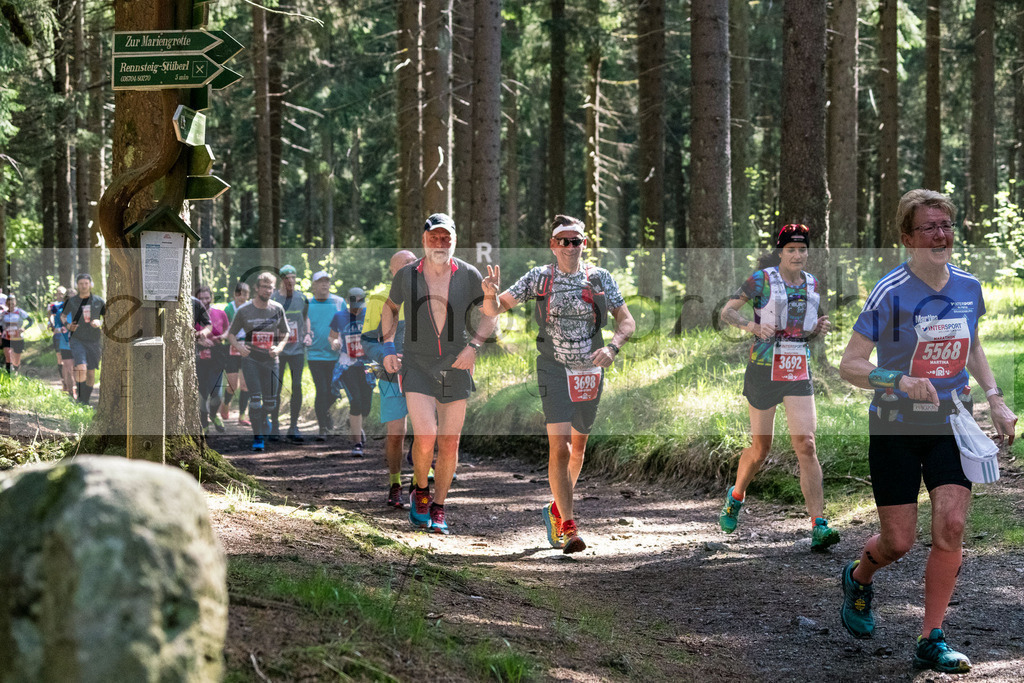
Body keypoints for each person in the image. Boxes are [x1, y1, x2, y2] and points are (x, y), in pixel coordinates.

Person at [837, 189, 1018, 673]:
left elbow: (972, 344)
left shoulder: (968, 287)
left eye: (946, 226)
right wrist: (899, 379)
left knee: (952, 526)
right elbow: (849, 365)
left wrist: (996, 398)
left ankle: (931, 637)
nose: (940, 235)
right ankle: (858, 578)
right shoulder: (890, 291)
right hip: (895, 425)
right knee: (896, 542)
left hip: (952, 420)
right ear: (907, 239)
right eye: (928, 228)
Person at [481, 215, 635, 553]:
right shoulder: (539, 278)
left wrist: (612, 347)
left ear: (584, 244)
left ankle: (555, 509)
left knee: (578, 449)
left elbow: (627, 321)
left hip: (590, 371)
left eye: (575, 241)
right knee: (560, 447)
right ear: (553, 245)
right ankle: (569, 526)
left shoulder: (600, 279)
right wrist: (489, 296)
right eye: (563, 241)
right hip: (552, 367)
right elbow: (497, 308)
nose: (569, 247)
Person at [717, 223, 839, 550]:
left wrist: (818, 328)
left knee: (806, 444)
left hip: (797, 369)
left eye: (802, 249)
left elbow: (803, 329)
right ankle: (737, 494)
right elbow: (727, 311)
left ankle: (818, 524)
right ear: (781, 251)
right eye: (791, 249)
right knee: (761, 449)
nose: (797, 255)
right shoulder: (762, 280)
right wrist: (753, 326)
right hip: (763, 370)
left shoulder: (812, 284)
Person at [380, 213, 494, 534]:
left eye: (446, 238)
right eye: (435, 237)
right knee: (426, 434)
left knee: (449, 442)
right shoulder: (407, 274)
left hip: (456, 363)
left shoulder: (469, 274)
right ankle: (420, 488)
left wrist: (475, 345)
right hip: (417, 363)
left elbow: (490, 315)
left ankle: (439, 508)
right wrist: (389, 346)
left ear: (454, 241)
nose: (440, 243)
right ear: (424, 239)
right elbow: (390, 308)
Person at [363, 250, 418, 507]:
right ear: (392, 272)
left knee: (427, 430)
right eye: (404, 265)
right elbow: (367, 341)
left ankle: (421, 482)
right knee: (396, 433)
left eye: (413, 262)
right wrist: (384, 356)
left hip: (422, 373)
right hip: (390, 374)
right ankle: (395, 484)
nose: (411, 267)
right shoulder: (378, 299)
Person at [226, 272, 290, 451]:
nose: (267, 290)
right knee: (255, 400)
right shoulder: (244, 310)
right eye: (264, 286)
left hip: (271, 360)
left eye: (270, 287)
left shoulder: (277, 308)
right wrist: (239, 348)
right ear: (256, 288)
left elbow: (286, 334)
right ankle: (258, 437)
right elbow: (231, 334)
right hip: (251, 359)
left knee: (270, 403)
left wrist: (279, 348)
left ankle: (262, 418)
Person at [329, 287, 374, 455]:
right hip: (347, 365)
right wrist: (334, 343)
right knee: (355, 401)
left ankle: (355, 424)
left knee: (366, 406)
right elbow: (332, 336)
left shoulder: (370, 315)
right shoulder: (339, 317)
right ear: (348, 301)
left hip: (366, 364)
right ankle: (357, 444)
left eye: (361, 299)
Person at [270, 265, 312, 442]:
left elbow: (305, 317)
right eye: (287, 277)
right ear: (281, 279)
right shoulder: (273, 298)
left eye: (293, 277)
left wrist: (308, 334)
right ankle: (274, 426)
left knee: (296, 386)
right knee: (276, 387)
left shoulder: (302, 297)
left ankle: (293, 426)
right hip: (278, 350)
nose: (291, 281)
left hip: (296, 350)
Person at [306, 271, 345, 441]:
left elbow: (346, 324)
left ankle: (326, 414)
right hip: (315, 355)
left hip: (335, 355)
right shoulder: (307, 303)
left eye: (326, 281)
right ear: (314, 285)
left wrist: (341, 341)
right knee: (321, 390)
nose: (324, 284)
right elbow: (302, 324)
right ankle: (322, 427)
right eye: (320, 281)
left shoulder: (339, 302)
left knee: (334, 392)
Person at [61, 273, 105, 406]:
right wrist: (68, 325)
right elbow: (62, 316)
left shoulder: (98, 301)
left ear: (91, 285)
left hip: (94, 340)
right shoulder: (72, 301)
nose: (84, 286)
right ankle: (80, 399)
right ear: (77, 285)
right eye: (81, 284)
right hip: (77, 339)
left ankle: (85, 400)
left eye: (86, 283)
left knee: (91, 373)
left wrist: (100, 322)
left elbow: (108, 317)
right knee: (81, 368)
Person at [195, 285, 228, 433]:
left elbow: (228, 330)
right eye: (201, 298)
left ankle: (214, 415)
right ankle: (203, 422)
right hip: (198, 357)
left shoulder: (220, 314)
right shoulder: (192, 314)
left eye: (207, 298)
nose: (204, 301)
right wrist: (198, 341)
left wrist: (221, 337)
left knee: (217, 393)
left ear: (211, 298)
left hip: (217, 356)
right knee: (202, 392)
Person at [223, 282, 251, 426]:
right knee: (233, 385)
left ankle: (242, 416)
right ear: (235, 294)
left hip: (246, 348)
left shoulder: (250, 308)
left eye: (245, 293)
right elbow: (226, 329)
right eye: (239, 293)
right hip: (232, 348)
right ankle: (226, 404)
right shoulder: (229, 308)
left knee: (245, 385)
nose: (242, 296)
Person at [47, 286, 74, 397]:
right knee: (62, 360)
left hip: (77, 342)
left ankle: (72, 385)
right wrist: (52, 325)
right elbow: (52, 317)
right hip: (61, 338)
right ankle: (66, 385)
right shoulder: (57, 308)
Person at [2, 294, 34, 375]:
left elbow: (31, 321)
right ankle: (8, 375)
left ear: (15, 303)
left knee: (16, 360)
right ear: (6, 304)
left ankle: (16, 372)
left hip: (18, 338)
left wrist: (24, 328)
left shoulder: (20, 312)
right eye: (9, 304)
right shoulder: (3, 314)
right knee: (8, 356)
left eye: (12, 304)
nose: (11, 306)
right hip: (6, 338)